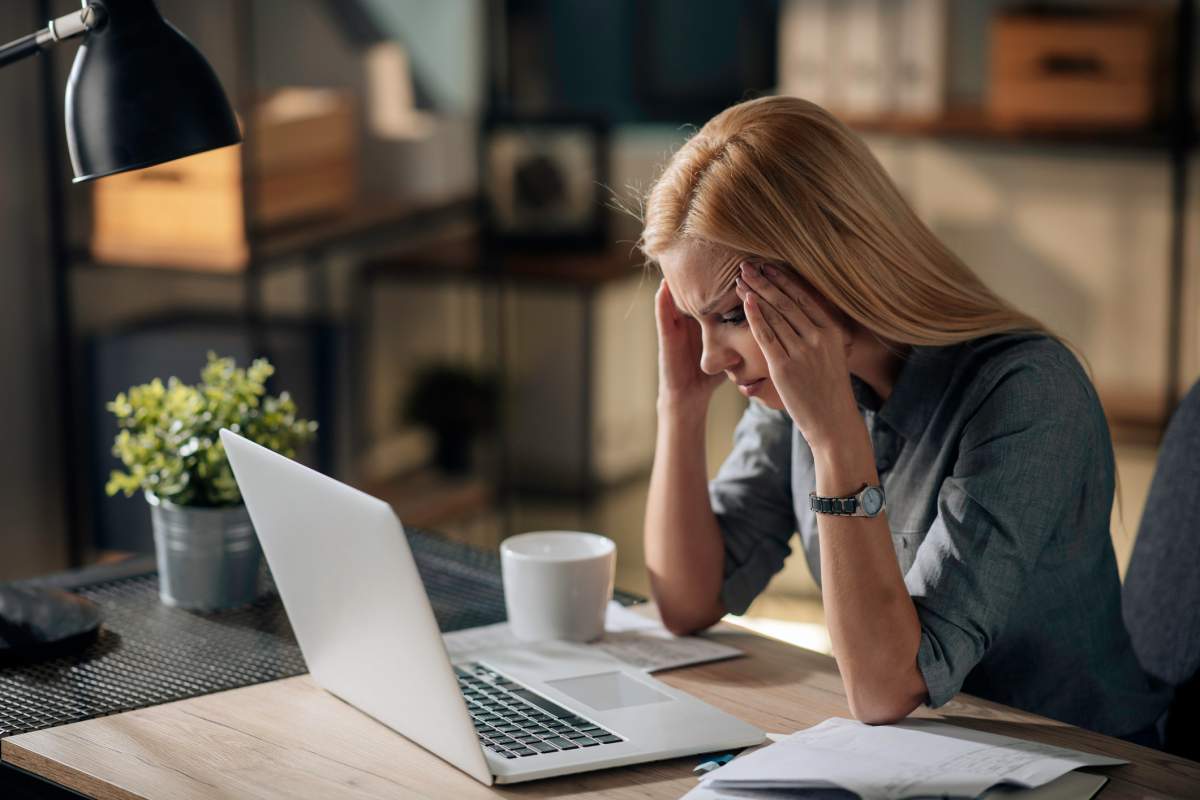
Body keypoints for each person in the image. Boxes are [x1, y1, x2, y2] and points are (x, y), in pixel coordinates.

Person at [640, 95, 1169, 743]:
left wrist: (835, 440)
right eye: (694, 321)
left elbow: (887, 687)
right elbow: (689, 600)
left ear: (831, 266)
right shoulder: (787, 391)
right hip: (927, 755)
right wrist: (681, 404)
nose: (711, 356)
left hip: (1085, 762)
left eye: (729, 315)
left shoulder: (1027, 394)